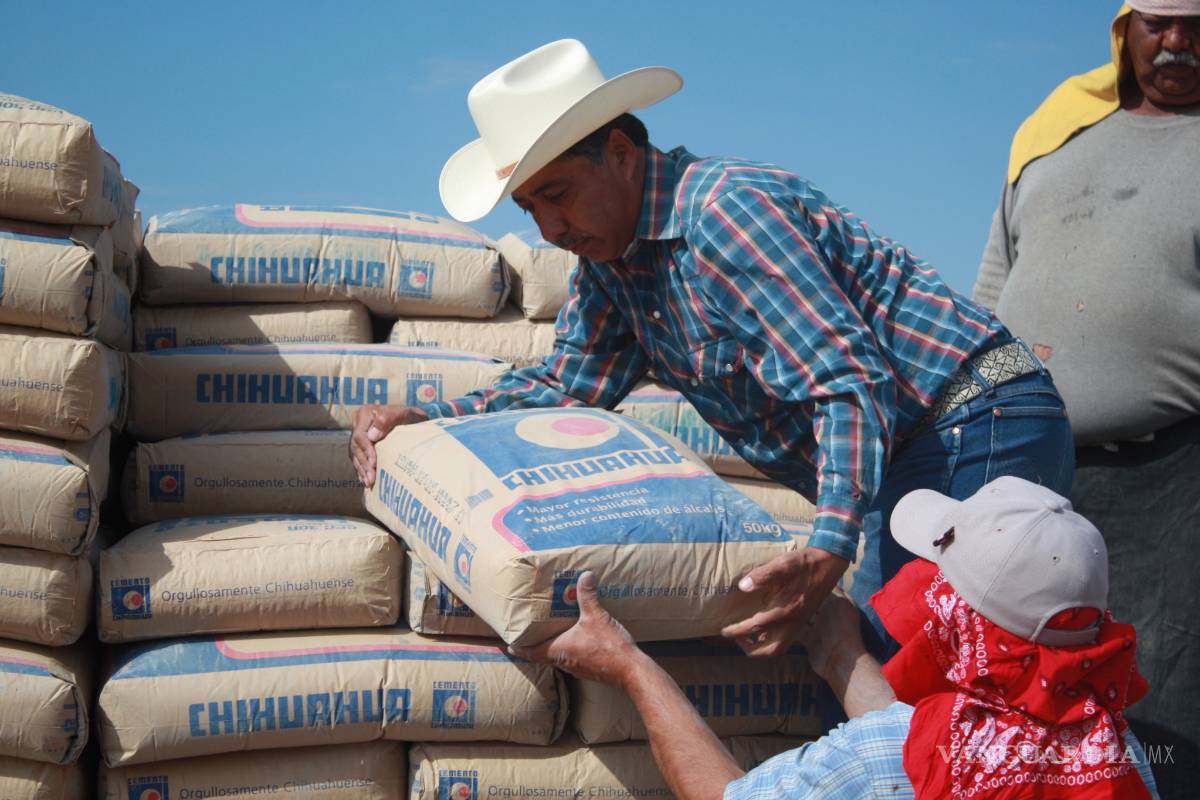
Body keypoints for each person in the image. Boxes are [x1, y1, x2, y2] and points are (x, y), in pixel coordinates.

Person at [351, 39, 1074, 659]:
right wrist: (430, 420)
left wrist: (830, 544)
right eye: (530, 207)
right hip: (919, 444)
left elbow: (846, 379)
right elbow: (569, 384)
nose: (549, 229)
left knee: (909, 665)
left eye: (559, 194)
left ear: (621, 155)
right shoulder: (612, 266)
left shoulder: (724, 214)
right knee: (888, 672)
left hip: (972, 418)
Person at [513, 477, 1160, 799]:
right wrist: (842, 655)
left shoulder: (890, 755)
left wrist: (629, 665)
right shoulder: (1116, 752)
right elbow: (909, 745)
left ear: (960, 618)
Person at [972, 3, 1200, 793]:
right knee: (1018, 693)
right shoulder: (1056, 126)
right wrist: (971, 407)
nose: (1178, 43)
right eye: (1159, 23)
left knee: (1158, 707)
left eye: (1198, 25)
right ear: (1124, 28)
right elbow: (998, 280)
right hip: (1028, 469)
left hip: (1169, 481)